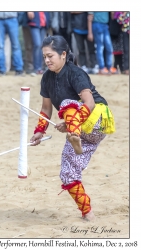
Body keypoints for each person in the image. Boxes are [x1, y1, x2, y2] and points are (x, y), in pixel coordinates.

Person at [29, 35, 115, 221]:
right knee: (67, 174)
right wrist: (39, 131)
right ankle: (88, 213)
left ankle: (74, 135)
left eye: (50, 56)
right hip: (78, 131)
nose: (46, 60)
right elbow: (45, 108)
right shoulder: (46, 78)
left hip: (96, 121)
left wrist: (71, 126)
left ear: (63, 54)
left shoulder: (75, 72)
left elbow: (89, 103)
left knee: (68, 103)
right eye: (44, 56)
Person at [0, 12, 25, 76]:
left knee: (15, 45)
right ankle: (1, 70)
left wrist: (18, 18)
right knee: (0, 46)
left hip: (12, 18)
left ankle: (19, 69)